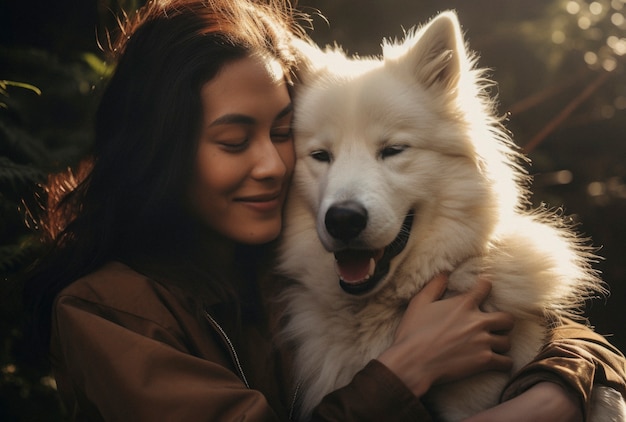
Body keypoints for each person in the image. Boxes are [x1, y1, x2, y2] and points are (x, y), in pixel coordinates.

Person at [22, 0, 625, 420]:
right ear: (161, 150)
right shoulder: (111, 314)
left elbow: (582, 348)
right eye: (234, 141)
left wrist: (562, 385)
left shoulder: (270, 269)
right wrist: (408, 367)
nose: (271, 165)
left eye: (282, 134)